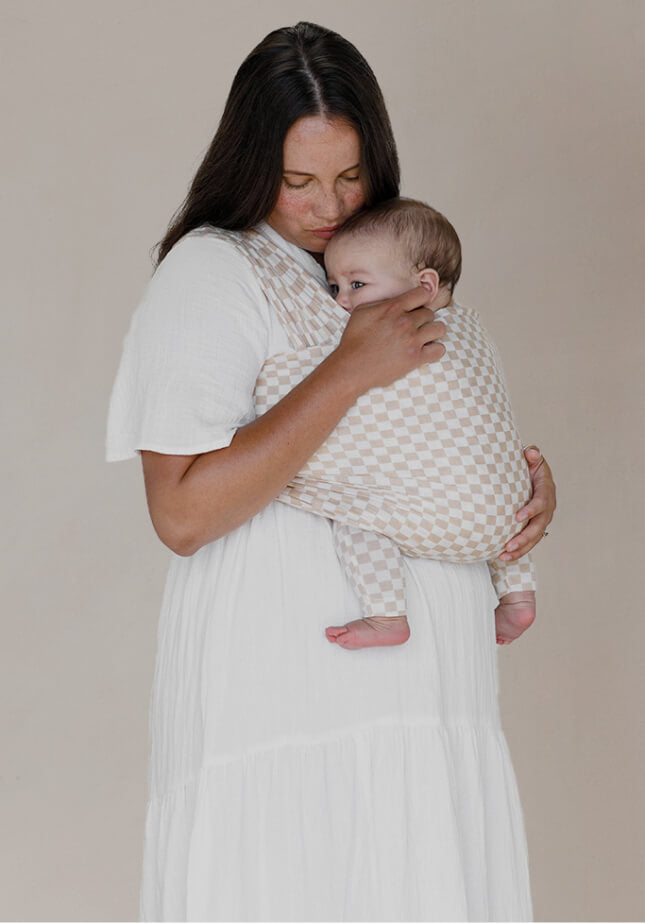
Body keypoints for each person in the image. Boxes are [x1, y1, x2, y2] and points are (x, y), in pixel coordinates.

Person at [106, 21, 556, 922]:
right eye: (298, 179)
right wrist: (348, 366)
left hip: (430, 688)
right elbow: (182, 514)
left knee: (422, 875)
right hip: (292, 685)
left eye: (349, 176)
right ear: (249, 163)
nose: (326, 206)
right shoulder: (210, 272)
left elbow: (440, 416)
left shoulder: (385, 256)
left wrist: (517, 490)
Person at [251, 195, 537, 650]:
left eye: (357, 284)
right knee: (504, 488)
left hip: (446, 515)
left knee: (356, 517)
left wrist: (265, 381)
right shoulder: (470, 327)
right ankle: (518, 595)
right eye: (334, 288)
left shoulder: (401, 336)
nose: (343, 302)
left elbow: (313, 376)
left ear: (424, 286)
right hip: (510, 513)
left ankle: (387, 616)